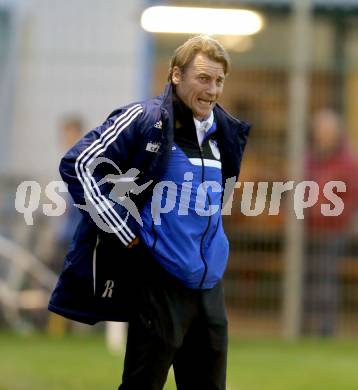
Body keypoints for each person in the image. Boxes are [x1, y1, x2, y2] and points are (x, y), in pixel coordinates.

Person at [48, 35, 250, 389]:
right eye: (203, 78)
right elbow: (78, 163)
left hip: (209, 287)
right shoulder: (145, 118)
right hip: (159, 281)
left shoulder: (225, 133)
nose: (213, 90)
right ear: (176, 75)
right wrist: (124, 230)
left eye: (219, 80)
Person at [303, 108, 358, 336]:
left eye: (326, 130)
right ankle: (301, 326)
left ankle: (325, 329)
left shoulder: (347, 161)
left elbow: (350, 198)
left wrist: (327, 213)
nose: (322, 135)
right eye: (319, 130)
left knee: (325, 280)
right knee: (304, 279)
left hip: (333, 230)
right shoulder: (308, 157)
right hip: (306, 228)